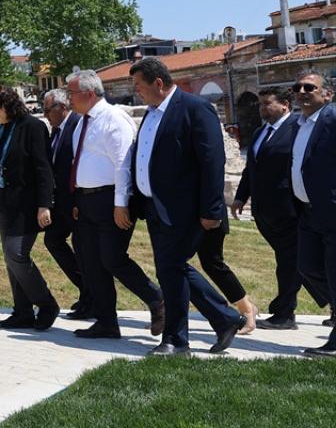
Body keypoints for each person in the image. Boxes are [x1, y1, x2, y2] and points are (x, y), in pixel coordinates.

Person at [124, 57, 244, 355]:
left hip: (184, 208)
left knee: (171, 268)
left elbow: (212, 161)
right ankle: (225, 318)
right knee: (172, 268)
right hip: (154, 206)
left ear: (159, 83)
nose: (137, 91)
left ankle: (177, 340)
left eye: (139, 85)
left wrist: (211, 210)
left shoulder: (194, 108)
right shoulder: (151, 114)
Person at [64, 69, 165, 340]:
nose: (68, 99)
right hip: (86, 200)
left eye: (71, 93)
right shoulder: (81, 121)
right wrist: (78, 198)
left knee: (112, 259)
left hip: (111, 199)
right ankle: (106, 321)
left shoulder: (113, 118)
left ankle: (157, 300)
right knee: (89, 262)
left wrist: (121, 204)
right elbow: (82, 162)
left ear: (88, 93)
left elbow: (122, 164)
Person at [232, 87, 328, 330]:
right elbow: (250, 169)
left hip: (291, 210)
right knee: (298, 263)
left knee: (290, 262)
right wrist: (241, 197)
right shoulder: (260, 132)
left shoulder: (298, 128)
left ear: (285, 104)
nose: (262, 108)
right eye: (260, 104)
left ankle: (284, 313)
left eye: (267, 104)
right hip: (265, 213)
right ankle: (331, 304)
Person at [0, 86, 59, 331]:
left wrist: (45, 205)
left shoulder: (33, 127)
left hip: (27, 204)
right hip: (4, 203)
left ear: (6, 106)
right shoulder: (1, 128)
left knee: (16, 254)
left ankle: (47, 304)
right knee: (10, 259)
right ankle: (22, 311)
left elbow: (44, 169)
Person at [291, 70, 336, 358]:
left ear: (327, 94)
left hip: (331, 210)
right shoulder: (301, 124)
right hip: (307, 212)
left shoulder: (332, 119)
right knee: (307, 266)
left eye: (310, 87)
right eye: (298, 87)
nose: (303, 91)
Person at [42, 89, 92, 320]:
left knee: (85, 251)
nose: (44, 115)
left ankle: (92, 297)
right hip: (60, 204)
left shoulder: (77, 126)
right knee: (52, 239)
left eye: (47, 110)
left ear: (62, 108)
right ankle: (86, 290)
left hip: (76, 202)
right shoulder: (56, 131)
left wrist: (78, 200)